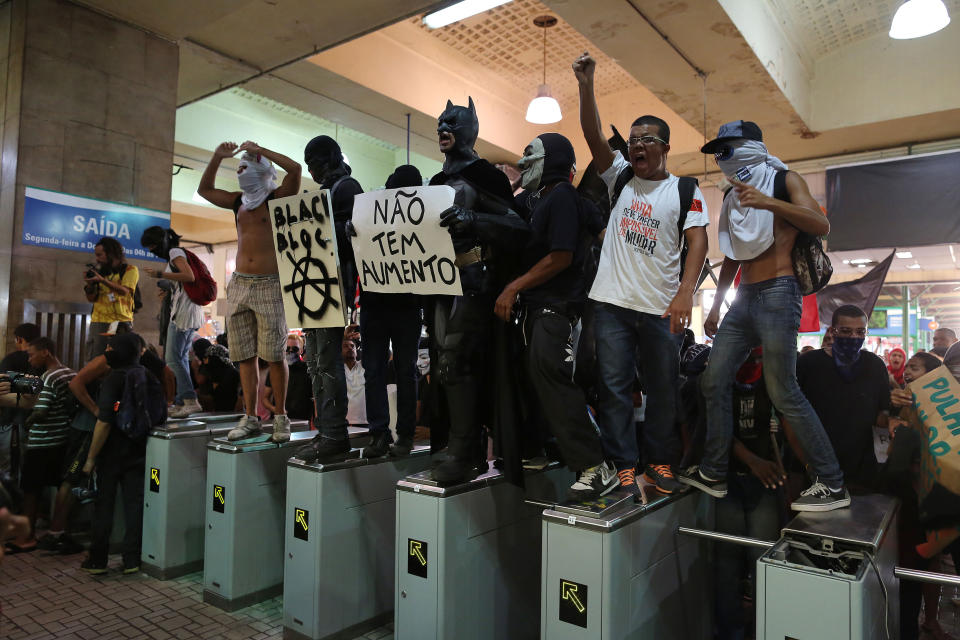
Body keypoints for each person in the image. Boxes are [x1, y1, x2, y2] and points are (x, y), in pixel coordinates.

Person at [682, 120, 848, 512]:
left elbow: (821, 224)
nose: (723, 157)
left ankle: (833, 481)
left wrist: (769, 202)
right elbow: (735, 254)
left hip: (778, 290)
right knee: (713, 379)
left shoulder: (783, 180)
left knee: (782, 390)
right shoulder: (735, 195)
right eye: (719, 151)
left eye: (729, 147)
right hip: (744, 298)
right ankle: (714, 470)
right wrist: (719, 305)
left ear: (752, 146)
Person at [572, 52, 709, 497]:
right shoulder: (620, 179)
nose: (636, 146)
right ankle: (624, 465)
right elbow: (594, 136)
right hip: (611, 303)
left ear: (665, 147)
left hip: (660, 308)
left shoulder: (685, 189)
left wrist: (685, 293)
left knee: (663, 390)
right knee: (612, 388)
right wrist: (587, 84)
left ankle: (661, 462)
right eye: (632, 140)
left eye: (647, 139)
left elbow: (699, 243)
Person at [494, 132, 616, 501]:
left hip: (555, 307)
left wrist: (514, 287)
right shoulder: (546, 200)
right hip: (544, 308)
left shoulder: (561, 197)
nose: (523, 160)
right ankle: (553, 449)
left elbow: (561, 256)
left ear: (554, 160)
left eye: (531, 153)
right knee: (541, 378)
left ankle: (597, 466)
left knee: (554, 378)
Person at [426, 97, 530, 484]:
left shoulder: (486, 176)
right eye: (440, 122)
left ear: (470, 129)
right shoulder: (436, 183)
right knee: (444, 366)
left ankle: (465, 449)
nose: (443, 128)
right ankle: (460, 447)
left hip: (473, 281)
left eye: (452, 121)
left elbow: (519, 227)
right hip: (438, 285)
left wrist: (475, 218)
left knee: (455, 363)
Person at [197, 140, 301, 443]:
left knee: (273, 353)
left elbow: (295, 169)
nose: (241, 170)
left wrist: (264, 150)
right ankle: (251, 417)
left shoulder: (276, 198)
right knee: (243, 355)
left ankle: (280, 417)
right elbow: (205, 190)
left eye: (246, 166)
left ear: (261, 170)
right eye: (239, 167)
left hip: (270, 282)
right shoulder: (237, 202)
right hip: (239, 283)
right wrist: (217, 157)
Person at [292, 136, 361, 464]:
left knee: (327, 361)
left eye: (315, 164)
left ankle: (334, 433)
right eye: (308, 165)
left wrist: (316, 226)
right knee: (317, 362)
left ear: (330, 159)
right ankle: (328, 430)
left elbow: (355, 235)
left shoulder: (347, 188)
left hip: (331, 283)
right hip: (313, 283)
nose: (312, 171)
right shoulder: (329, 190)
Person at [712, 346, 785, 640]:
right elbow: (713, 430)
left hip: (765, 484)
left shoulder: (775, 380)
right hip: (727, 480)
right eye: (745, 357)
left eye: (757, 358)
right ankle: (731, 632)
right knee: (727, 564)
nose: (751, 364)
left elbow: (789, 423)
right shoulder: (717, 379)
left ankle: (763, 630)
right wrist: (753, 461)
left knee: (764, 563)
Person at [361, 164, 425, 458]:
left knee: (382, 370)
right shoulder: (407, 214)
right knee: (399, 370)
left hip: (388, 304)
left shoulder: (410, 217)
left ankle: (385, 433)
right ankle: (398, 435)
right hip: (396, 305)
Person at [791, 305, 889, 493]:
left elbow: (882, 414)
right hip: (815, 470)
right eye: (846, 331)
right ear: (832, 331)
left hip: (861, 472)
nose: (853, 337)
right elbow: (790, 417)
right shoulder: (808, 364)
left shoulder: (875, 366)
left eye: (860, 332)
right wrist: (805, 463)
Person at [80, 333, 151, 575]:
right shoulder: (147, 375)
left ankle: (98, 560)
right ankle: (132, 559)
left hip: (111, 452)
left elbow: (105, 421)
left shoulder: (114, 379)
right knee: (135, 505)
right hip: (139, 450)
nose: (107, 350)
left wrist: (90, 458)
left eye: (111, 347)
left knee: (104, 506)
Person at [14, 338, 77, 552]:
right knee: (59, 486)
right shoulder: (69, 372)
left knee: (31, 491)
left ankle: (27, 537)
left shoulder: (48, 377)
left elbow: (41, 411)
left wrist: (27, 419)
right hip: (62, 440)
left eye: (32, 354)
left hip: (42, 442)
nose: (29, 359)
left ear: (46, 353)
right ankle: (58, 530)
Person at [141, 226, 204, 417]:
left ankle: (190, 400)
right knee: (181, 357)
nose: (151, 250)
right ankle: (181, 401)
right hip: (187, 310)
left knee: (172, 358)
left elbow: (189, 276)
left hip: (184, 313)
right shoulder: (175, 254)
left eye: (152, 245)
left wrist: (160, 274)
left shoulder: (175, 252)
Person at [83, 237, 139, 361]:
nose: (97, 259)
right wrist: (90, 285)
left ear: (111, 253)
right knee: (96, 358)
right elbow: (91, 299)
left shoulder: (130, 270)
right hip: (99, 321)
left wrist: (102, 280)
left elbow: (124, 291)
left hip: (119, 321)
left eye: (99, 255)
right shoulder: (100, 272)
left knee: (119, 358)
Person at [0, 323, 40, 474]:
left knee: (9, 469)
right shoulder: (44, 360)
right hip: (37, 426)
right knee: (28, 470)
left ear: (19, 339)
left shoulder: (11, 360)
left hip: (12, 422)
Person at [264, 334, 313, 422]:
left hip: (302, 420)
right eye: (287, 348)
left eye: (295, 349)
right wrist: (277, 410)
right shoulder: (276, 370)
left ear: (301, 350)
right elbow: (265, 398)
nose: (290, 351)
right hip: (279, 420)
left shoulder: (309, 370)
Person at [198, 345, 241, 412]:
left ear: (213, 359)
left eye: (207, 358)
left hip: (231, 415)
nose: (205, 361)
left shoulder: (231, 374)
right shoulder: (218, 373)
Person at [342, 330, 367, 427]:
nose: (350, 348)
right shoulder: (337, 370)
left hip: (365, 421)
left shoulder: (364, 366)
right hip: (344, 422)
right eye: (345, 346)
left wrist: (362, 337)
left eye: (352, 346)